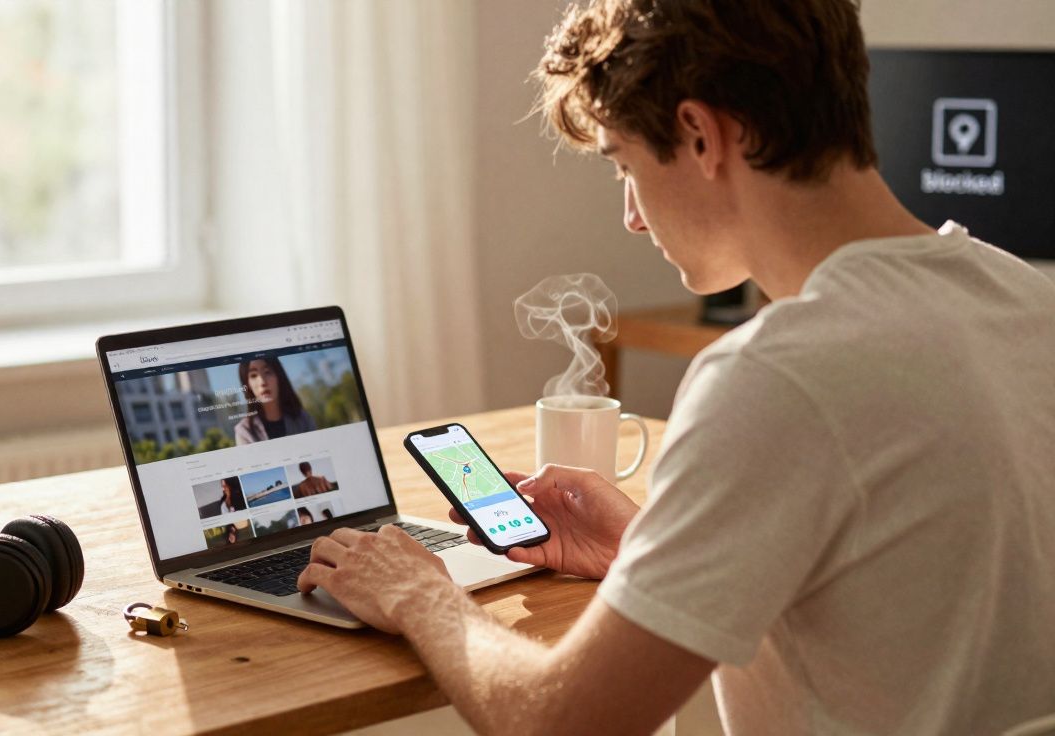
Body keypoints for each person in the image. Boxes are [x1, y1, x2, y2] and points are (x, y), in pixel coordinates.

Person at [296, 1, 1055, 733]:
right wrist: (646, 550)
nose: (631, 214)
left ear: (699, 135)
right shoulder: (1022, 299)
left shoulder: (779, 376)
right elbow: (904, 598)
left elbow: (561, 724)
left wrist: (419, 595)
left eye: (624, 163)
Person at [234, 356, 317, 445]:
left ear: (278, 376)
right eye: (253, 375)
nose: (262, 382)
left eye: (267, 372)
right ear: (247, 384)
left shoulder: (303, 419)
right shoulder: (244, 431)